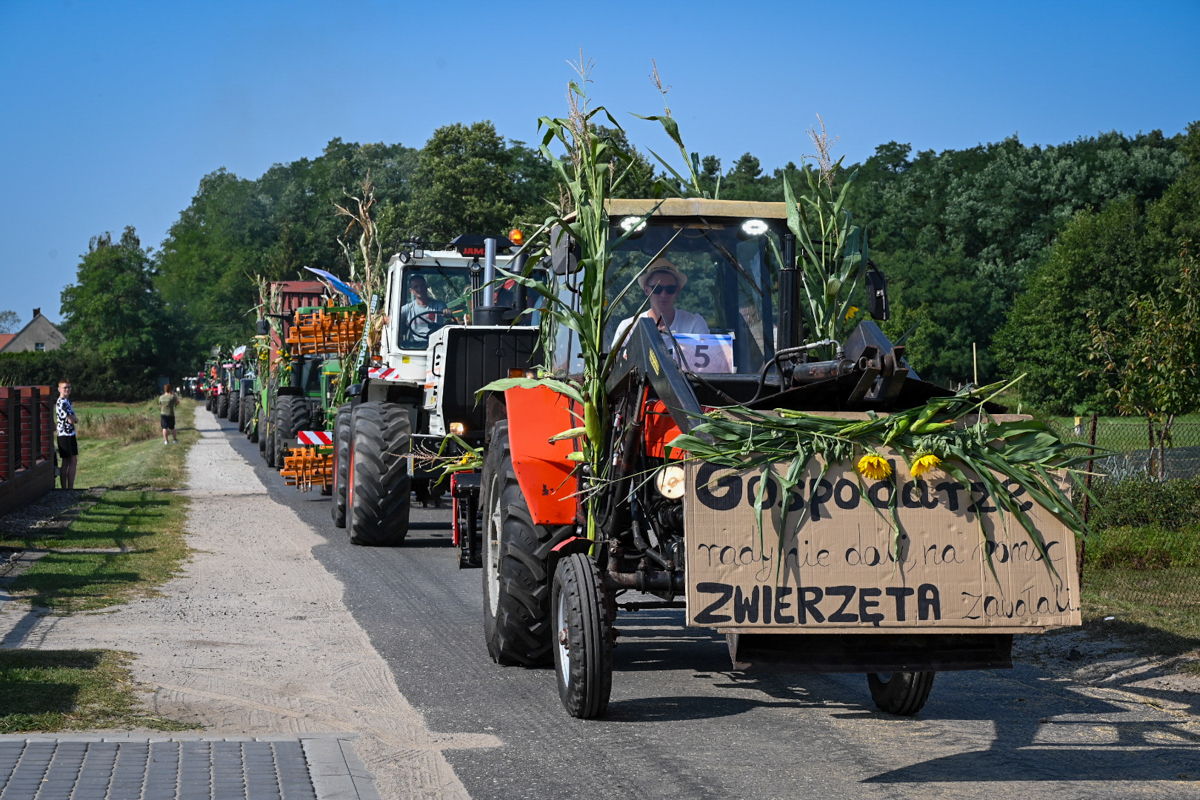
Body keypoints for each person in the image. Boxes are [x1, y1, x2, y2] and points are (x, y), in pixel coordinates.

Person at [612, 259, 710, 347]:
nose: (663, 295)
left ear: (677, 291)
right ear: (646, 290)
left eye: (670, 289)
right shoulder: (628, 327)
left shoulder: (694, 324)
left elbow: (708, 361)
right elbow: (617, 364)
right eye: (657, 289)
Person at [400, 274, 447, 340]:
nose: (420, 289)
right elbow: (395, 317)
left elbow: (443, 310)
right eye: (416, 287)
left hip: (437, 343)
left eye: (422, 285)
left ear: (426, 287)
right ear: (411, 291)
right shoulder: (408, 308)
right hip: (414, 346)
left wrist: (445, 312)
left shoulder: (438, 305)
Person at [55, 379, 78, 490]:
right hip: (66, 434)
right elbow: (71, 420)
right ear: (59, 389)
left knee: (67, 461)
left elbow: (73, 418)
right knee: (72, 461)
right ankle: (69, 488)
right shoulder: (62, 402)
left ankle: (66, 488)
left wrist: (74, 418)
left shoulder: (66, 401)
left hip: (66, 434)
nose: (67, 389)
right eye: (65, 387)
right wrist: (75, 419)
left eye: (69, 387)